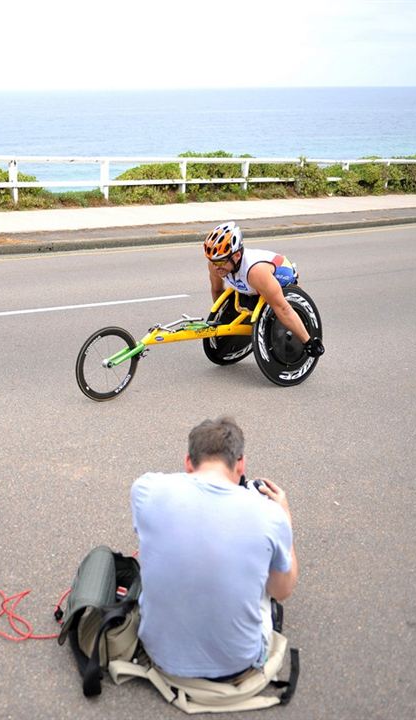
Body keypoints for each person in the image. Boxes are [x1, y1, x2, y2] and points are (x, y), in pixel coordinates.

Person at [130, 417, 298, 680]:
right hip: (237, 663)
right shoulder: (269, 515)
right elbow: (282, 590)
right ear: (241, 464)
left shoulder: (145, 490)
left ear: (188, 462)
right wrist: (285, 517)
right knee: (267, 578)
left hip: (159, 655)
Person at [204, 221, 324, 358]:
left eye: (220, 262)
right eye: (212, 261)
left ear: (236, 255)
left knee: (270, 304)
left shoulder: (256, 272)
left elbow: (283, 308)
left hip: (279, 274)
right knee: (246, 301)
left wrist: (308, 342)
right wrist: (223, 318)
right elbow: (218, 292)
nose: (215, 267)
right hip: (252, 281)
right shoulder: (214, 265)